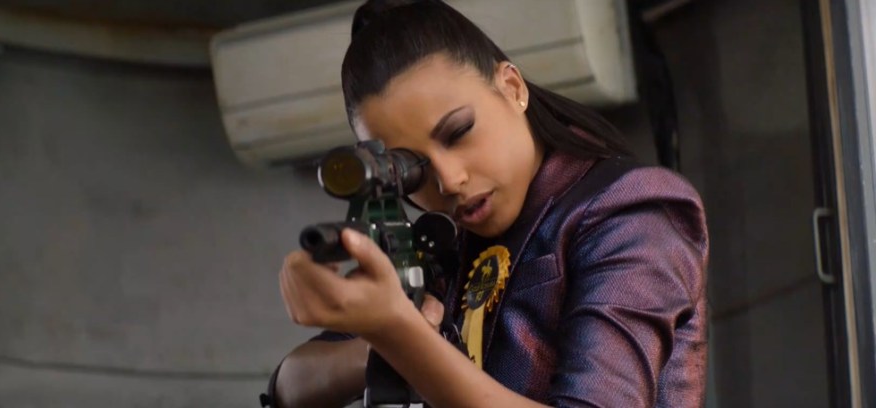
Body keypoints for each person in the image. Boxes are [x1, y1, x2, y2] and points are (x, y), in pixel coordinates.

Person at [271, 1, 709, 407]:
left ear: (512, 87)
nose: (449, 180)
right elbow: (288, 386)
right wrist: (379, 339)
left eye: (459, 132)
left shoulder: (631, 207)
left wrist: (401, 335)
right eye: (414, 169)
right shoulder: (445, 247)